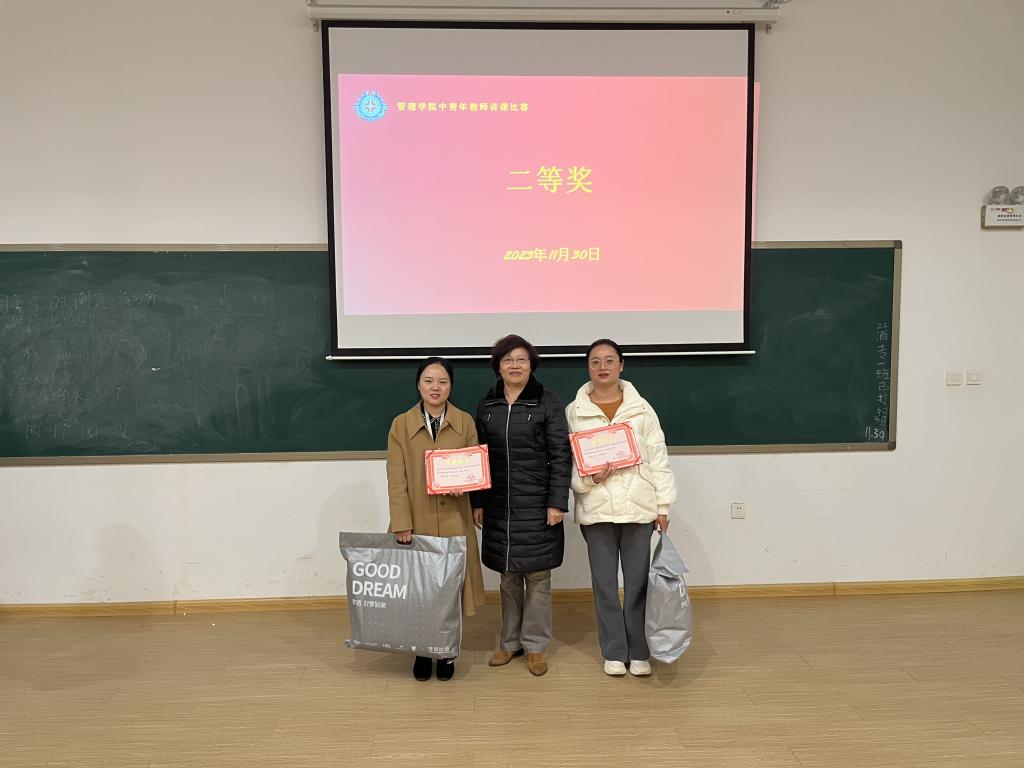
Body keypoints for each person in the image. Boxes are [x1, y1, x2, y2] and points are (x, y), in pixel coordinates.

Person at [566, 339, 677, 677]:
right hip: (597, 508)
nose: (603, 367)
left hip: (638, 508)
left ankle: (639, 651)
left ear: (621, 365)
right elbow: (567, 461)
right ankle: (614, 651)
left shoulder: (642, 409)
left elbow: (658, 457)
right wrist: (589, 479)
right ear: (588, 367)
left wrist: (663, 505)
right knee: (604, 585)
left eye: (609, 360)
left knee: (638, 583)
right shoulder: (574, 411)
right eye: (595, 361)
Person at [471, 335, 571, 676]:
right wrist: (478, 501)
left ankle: (536, 646)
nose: (515, 365)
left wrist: (557, 502)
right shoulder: (487, 405)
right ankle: (509, 642)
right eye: (508, 359)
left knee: (538, 576)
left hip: (539, 504)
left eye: (522, 360)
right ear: (498, 366)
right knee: (508, 575)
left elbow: (561, 455)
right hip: (499, 505)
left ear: (532, 366)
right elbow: (478, 459)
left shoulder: (548, 403)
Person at [386, 356, 486, 681]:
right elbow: (396, 478)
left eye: (442, 381)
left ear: (451, 386)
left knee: (451, 591)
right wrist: (401, 522)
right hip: (417, 520)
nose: (435, 387)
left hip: (455, 519)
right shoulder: (400, 424)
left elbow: (474, 469)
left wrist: (464, 486)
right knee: (421, 589)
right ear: (418, 384)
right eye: (429, 381)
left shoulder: (465, 422)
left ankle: (446, 653)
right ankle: (421, 650)